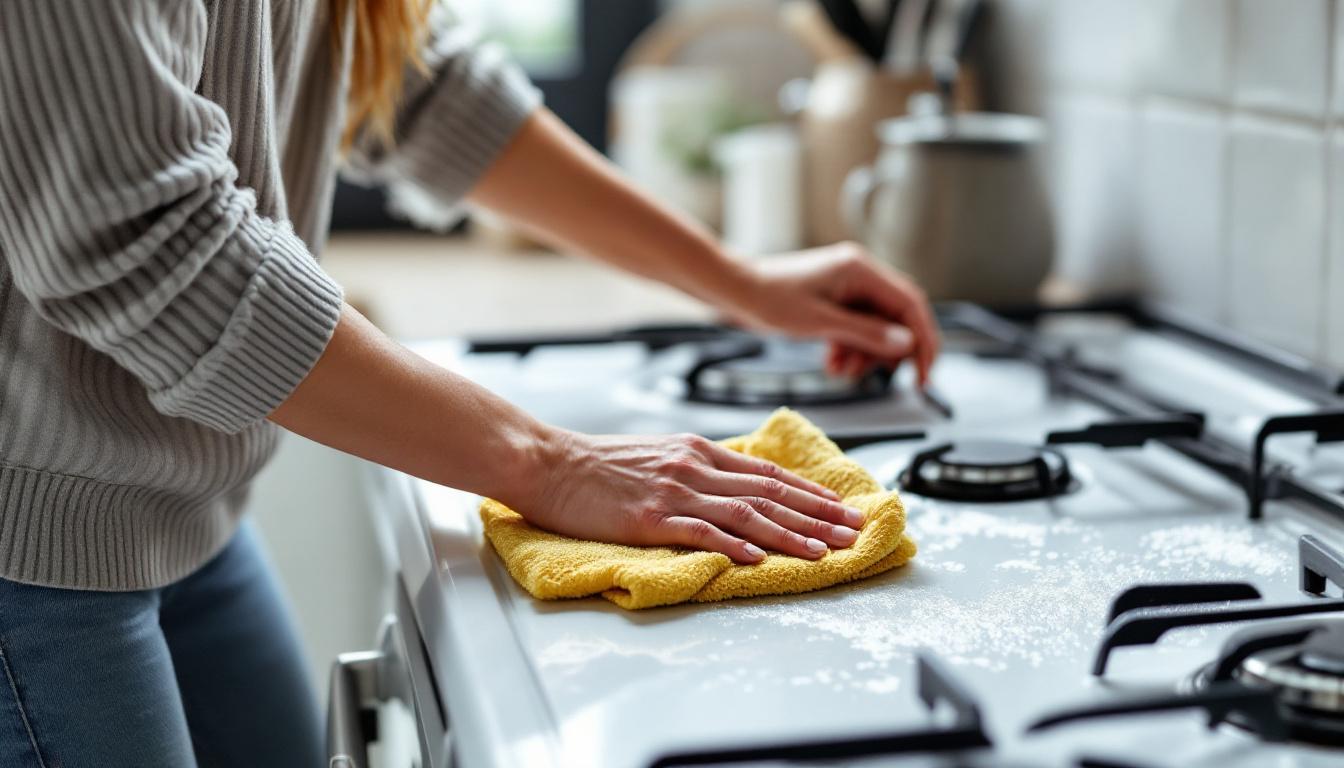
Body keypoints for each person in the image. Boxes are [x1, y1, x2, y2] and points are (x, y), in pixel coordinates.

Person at [0, 1, 938, 766]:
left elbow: (411, 74)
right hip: (30, 555)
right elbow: (144, 240)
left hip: (182, 520)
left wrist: (738, 280)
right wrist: (550, 464)